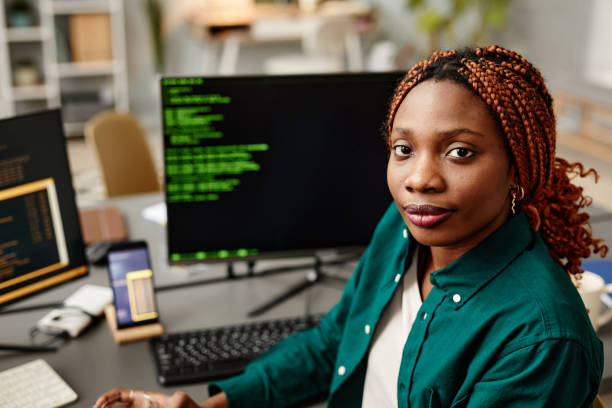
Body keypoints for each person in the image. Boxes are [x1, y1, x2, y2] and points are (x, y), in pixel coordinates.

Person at [94, 45, 609, 408]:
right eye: (403, 149)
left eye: (459, 152)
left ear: (519, 169)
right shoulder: (404, 230)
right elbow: (333, 342)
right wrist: (216, 405)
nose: (419, 180)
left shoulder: (541, 342)